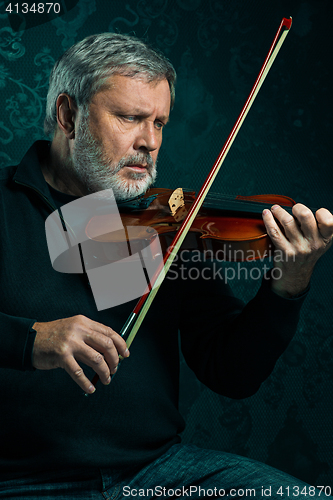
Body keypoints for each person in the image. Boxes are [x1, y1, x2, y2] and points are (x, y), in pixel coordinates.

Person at [0, 33, 332, 499]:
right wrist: (30, 339)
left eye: (159, 123)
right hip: (20, 481)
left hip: (157, 473)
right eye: (130, 118)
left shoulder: (162, 225)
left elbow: (231, 371)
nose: (150, 142)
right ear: (68, 115)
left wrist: (287, 285)